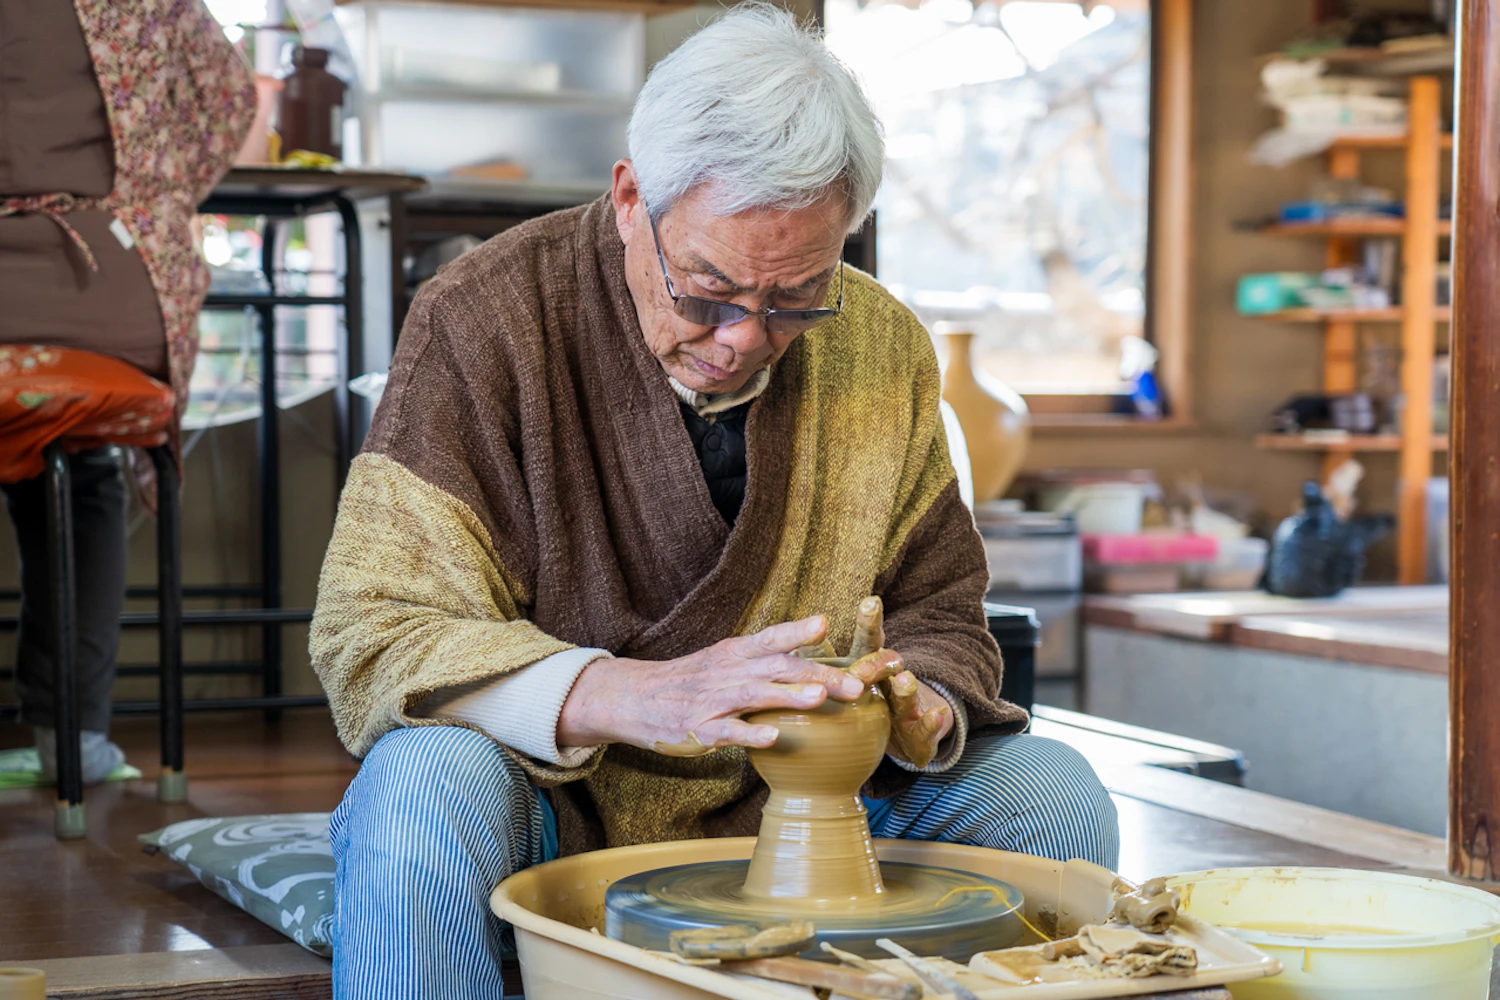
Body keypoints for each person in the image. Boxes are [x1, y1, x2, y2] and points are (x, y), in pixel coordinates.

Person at [311, 6, 1118, 996]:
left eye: (795, 296)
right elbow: (373, 631)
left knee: (1054, 796)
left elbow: (943, 609)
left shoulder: (880, 346)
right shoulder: (486, 317)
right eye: (706, 289)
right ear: (628, 197)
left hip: (821, 806)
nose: (743, 336)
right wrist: (638, 694)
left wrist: (922, 706)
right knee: (423, 786)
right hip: (555, 801)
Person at [0, 0, 253, 780]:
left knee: (28, 441)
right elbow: (228, 101)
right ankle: (71, 737)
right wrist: (150, 191)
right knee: (81, 468)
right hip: (118, 288)